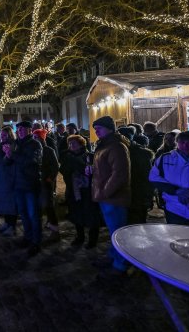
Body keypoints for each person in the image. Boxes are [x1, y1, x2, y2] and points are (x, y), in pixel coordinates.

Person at [90, 116, 131, 274]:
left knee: (118, 231)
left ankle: (120, 264)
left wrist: (104, 192)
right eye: (95, 129)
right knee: (113, 230)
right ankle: (113, 256)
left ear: (109, 128)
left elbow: (120, 174)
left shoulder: (116, 146)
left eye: (99, 128)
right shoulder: (105, 145)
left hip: (114, 198)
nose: (96, 131)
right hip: (106, 196)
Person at [59, 134, 103, 247]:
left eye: (73, 143)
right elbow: (64, 171)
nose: (70, 145)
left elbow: (93, 171)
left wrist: (76, 163)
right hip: (74, 190)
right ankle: (80, 236)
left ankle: (92, 240)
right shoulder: (67, 156)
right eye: (69, 143)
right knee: (76, 214)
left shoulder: (90, 156)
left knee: (92, 216)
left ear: (81, 144)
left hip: (89, 191)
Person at [8, 121, 43, 257]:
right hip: (18, 184)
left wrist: (13, 155)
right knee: (23, 214)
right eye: (18, 129)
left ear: (29, 130)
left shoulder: (35, 144)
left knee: (33, 214)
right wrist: (7, 155)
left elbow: (31, 161)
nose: (20, 131)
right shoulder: (17, 144)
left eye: (22, 129)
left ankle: (36, 241)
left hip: (30, 184)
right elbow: (11, 161)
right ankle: (27, 237)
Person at [119, 126, 155, 225]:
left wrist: (148, 197)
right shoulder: (117, 152)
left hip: (137, 195)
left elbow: (148, 177)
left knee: (137, 224)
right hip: (124, 194)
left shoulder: (141, 154)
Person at [32, 128, 61, 243]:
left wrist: (50, 178)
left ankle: (55, 231)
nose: (34, 139)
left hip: (46, 183)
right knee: (39, 206)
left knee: (49, 206)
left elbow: (55, 166)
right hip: (37, 182)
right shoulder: (34, 150)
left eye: (36, 137)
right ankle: (47, 225)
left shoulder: (48, 150)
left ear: (41, 138)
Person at [0, 126, 18, 237]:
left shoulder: (12, 145)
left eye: (4, 135)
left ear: (10, 135)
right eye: (1, 135)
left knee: (10, 203)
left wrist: (2, 155)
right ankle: (7, 223)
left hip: (9, 177)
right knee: (3, 201)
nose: (2, 137)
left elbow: (7, 160)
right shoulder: (0, 145)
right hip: (0, 176)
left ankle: (12, 226)